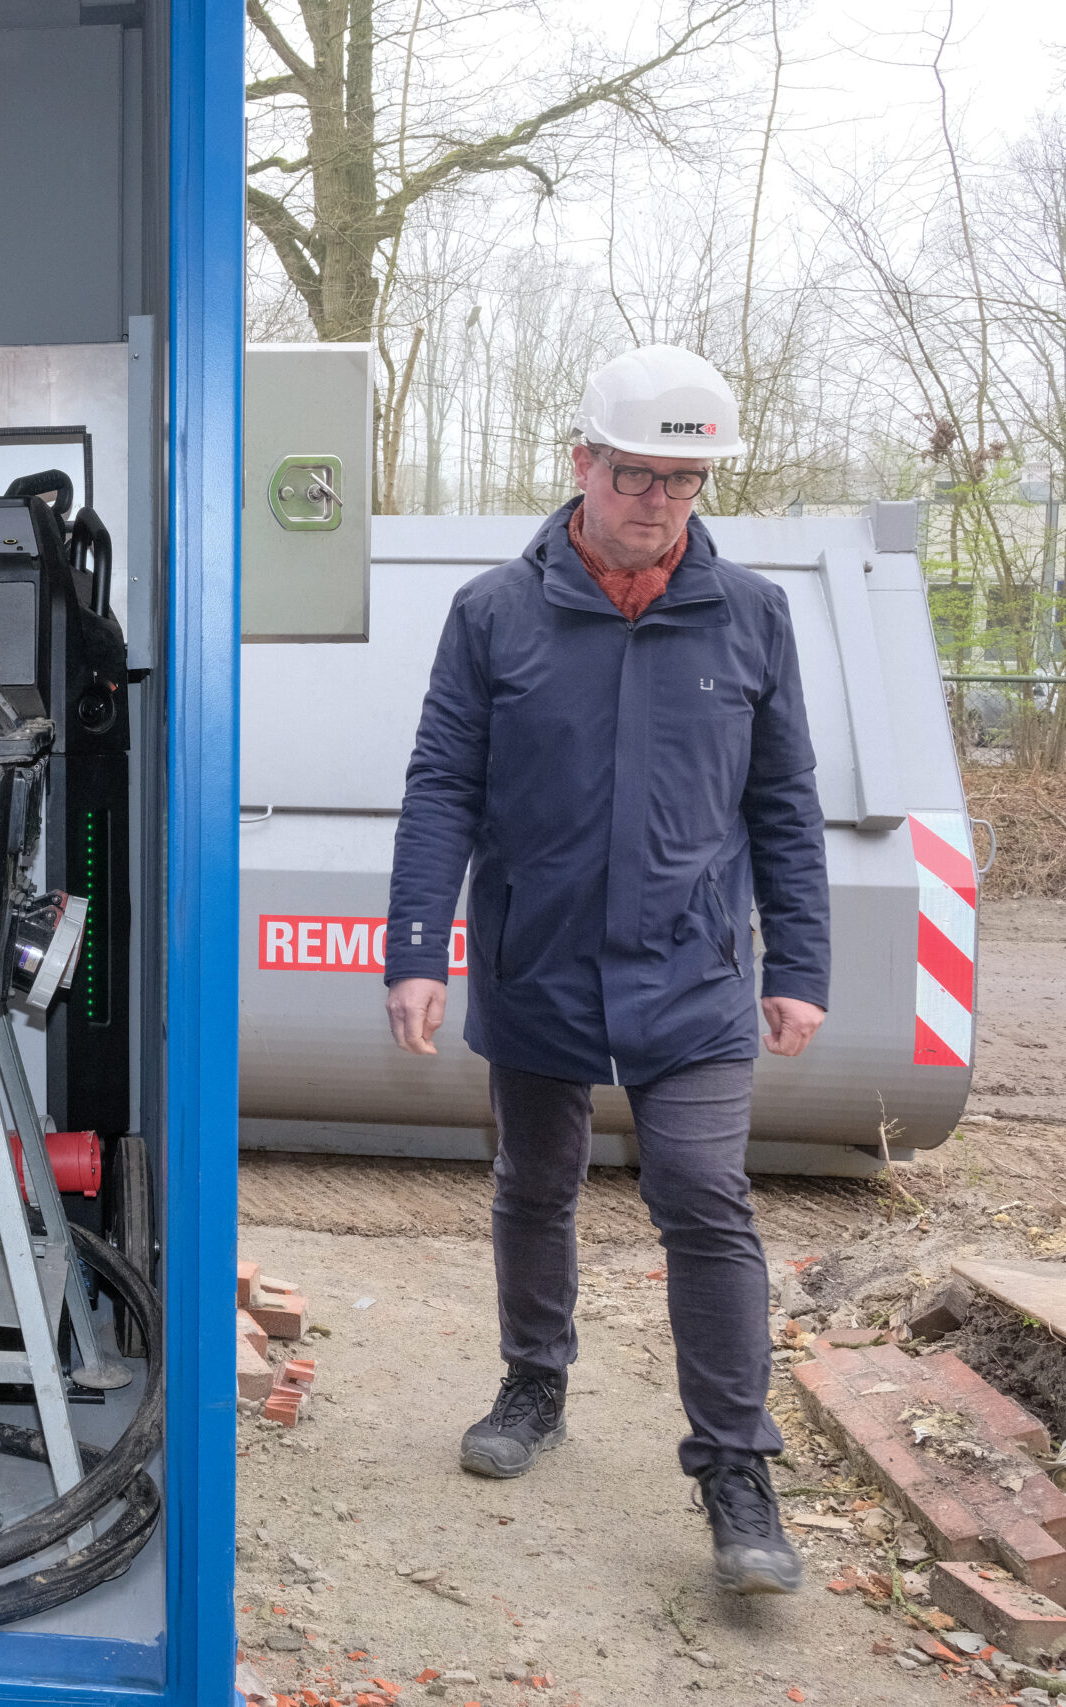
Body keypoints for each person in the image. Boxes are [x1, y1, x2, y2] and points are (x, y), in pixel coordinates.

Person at [381, 344, 831, 1595]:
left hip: (691, 970)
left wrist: (798, 961)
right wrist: (416, 949)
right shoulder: (492, 613)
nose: (659, 501)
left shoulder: (751, 615)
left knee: (703, 1195)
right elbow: (440, 788)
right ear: (581, 463)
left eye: (684, 480)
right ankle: (534, 1382)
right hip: (538, 959)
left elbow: (783, 803)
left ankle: (735, 1470)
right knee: (535, 1181)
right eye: (636, 474)